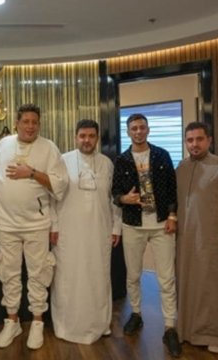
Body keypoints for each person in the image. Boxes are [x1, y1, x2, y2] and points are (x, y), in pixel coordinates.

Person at [0, 103, 69, 350]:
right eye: (26, 121)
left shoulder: (49, 148)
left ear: (39, 124)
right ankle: (12, 321)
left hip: (36, 224)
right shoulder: (4, 144)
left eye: (35, 122)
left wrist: (32, 173)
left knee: (39, 273)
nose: (30, 126)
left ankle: (37, 322)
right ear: (17, 123)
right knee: (8, 273)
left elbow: (60, 184)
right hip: (6, 223)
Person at [111, 113, 181, 358]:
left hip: (161, 224)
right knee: (133, 275)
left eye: (142, 127)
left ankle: (170, 326)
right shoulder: (122, 160)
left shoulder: (162, 155)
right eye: (134, 128)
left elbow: (172, 188)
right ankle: (136, 314)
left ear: (148, 130)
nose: (138, 132)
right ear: (128, 132)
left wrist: (172, 216)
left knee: (166, 277)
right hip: (133, 224)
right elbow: (114, 193)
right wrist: (124, 198)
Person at [175, 122, 218, 354]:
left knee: (216, 289)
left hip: (214, 240)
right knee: (188, 286)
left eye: (199, 139)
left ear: (209, 140)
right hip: (186, 241)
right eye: (190, 140)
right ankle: (187, 331)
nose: (194, 144)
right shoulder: (181, 168)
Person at [50, 119, 121, 344]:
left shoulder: (107, 163)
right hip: (68, 233)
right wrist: (54, 226)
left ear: (97, 138)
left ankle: (99, 323)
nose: (86, 140)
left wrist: (116, 227)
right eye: (82, 136)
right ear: (76, 137)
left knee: (98, 277)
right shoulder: (62, 161)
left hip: (99, 231)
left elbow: (114, 199)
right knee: (68, 278)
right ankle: (66, 325)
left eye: (91, 136)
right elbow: (52, 198)